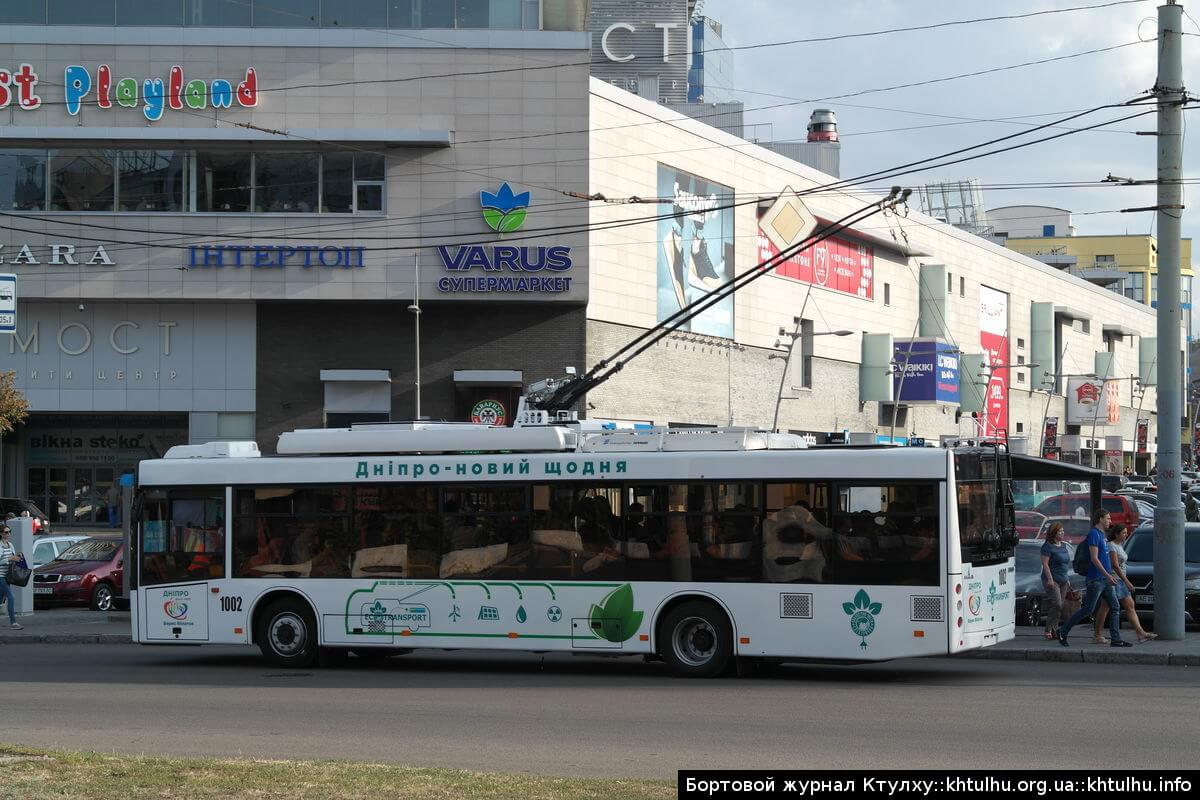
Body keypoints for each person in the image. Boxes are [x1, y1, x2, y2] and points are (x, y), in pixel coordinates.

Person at [1058, 509, 1130, 647]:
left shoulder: (1102, 535)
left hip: (1105, 580)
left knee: (1115, 606)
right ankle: (1063, 631)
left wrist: (1108, 576)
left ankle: (1116, 639)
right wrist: (1107, 575)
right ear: (1100, 519)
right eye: (1108, 518)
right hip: (1096, 579)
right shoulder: (1094, 534)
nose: (1110, 521)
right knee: (1088, 609)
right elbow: (1094, 559)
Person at [1093, 524, 1158, 644]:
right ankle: (1097, 634)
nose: (1126, 535)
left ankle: (1140, 633)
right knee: (1105, 607)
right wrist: (1127, 581)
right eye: (1123, 533)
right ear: (1116, 534)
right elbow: (1115, 566)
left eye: (1126, 532)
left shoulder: (1119, 545)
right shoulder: (1111, 546)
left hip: (1120, 580)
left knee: (1129, 605)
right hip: (1114, 580)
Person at [1039, 522, 1073, 641]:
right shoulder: (1047, 546)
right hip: (1052, 579)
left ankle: (1055, 629)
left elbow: (1065, 564)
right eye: (1060, 531)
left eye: (1063, 531)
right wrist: (1049, 579)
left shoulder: (1063, 546)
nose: (1062, 533)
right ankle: (1048, 629)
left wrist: (1067, 579)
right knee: (1057, 603)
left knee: (1060, 606)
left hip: (1063, 579)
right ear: (1054, 533)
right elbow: (1045, 564)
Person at [0, 525, 24, 630]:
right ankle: (13, 622)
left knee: (1, 599)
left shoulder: (10, 545)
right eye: (6, 532)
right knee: (11, 597)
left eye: (9, 532)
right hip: (0, 576)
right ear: (1, 534)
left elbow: (13, 558)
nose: (8, 534)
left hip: (8, 576)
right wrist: (10, 559)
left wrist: (18, 556)